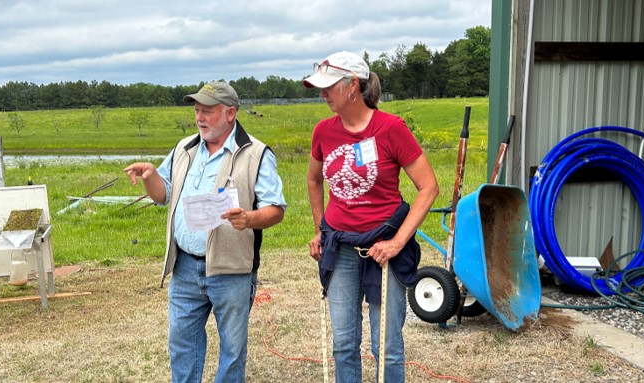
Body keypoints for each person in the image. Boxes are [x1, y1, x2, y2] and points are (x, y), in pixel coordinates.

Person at [123, 81, 286, 383]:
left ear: (230, 113)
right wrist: (150, 176)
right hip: (185, 267)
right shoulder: (184, 148)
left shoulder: (256, 154)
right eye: (197, 110)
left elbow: (276, 209)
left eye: (207, 111)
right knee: (182, 346)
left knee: (232, 351)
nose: (199, 117)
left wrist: (249, 218)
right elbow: (163, 195)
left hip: (231, 269)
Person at [304, 51, 438, 382]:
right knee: (344, 344)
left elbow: (428, 188)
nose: (323, 95)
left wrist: (396, 242)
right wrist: (321, 229)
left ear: (352, 86)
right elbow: (313, 179)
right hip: (341, 247)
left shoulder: (391, 128)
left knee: (387, 346)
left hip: (383, 251)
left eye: (328, 87)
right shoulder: (323, 131)